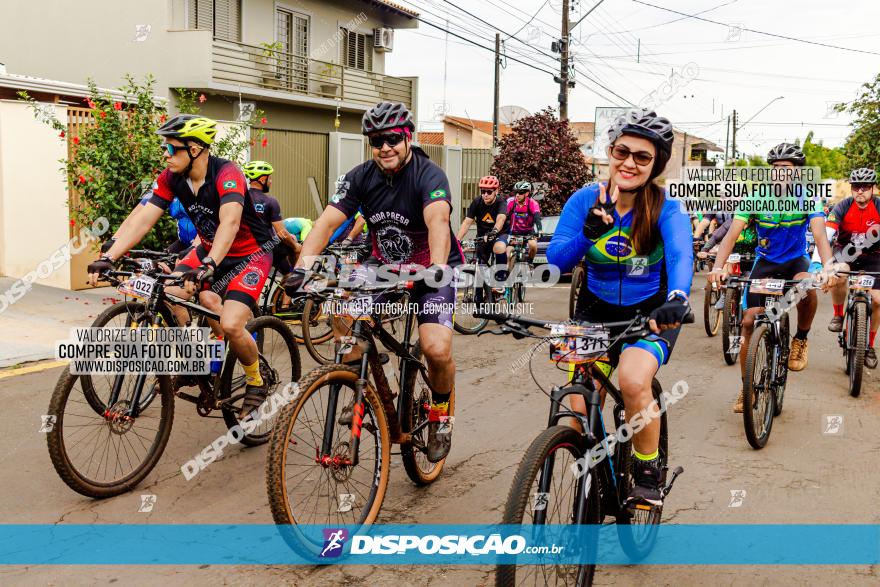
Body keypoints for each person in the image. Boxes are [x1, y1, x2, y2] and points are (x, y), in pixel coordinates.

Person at [284, 101, 462, 463]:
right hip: (383, 266)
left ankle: (441, 415)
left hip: (431, 269)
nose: (385, 147)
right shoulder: (359, 177)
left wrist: (439, 266)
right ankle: (360, 383)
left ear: (408, 137)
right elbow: (327, 223)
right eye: (376, 140)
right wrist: (303, 266)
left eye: (393, 138)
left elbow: (438, 223)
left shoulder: (429, 176)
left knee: (436, 349)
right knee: (341, 308)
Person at [548, 108, 693, 509]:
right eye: (621, 151)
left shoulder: (667, 208)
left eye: (642, 157)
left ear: (656, 165)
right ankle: (598, 469)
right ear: (610, 152)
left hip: (651, 310)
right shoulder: (583, 200)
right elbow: (556, 263)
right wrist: (586, 235)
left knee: (631, 380)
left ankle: (648, 472)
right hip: (594, 310)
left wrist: (678, 299)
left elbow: (682, 256)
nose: (628, 162)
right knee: (578, 403)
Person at [86, 114, 275, 419]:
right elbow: (144, 216)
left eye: (172, 149)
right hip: (209, 248)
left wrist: (211, 263)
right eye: (165, 147)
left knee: (230, 324)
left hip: (248, 253)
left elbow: (230, 222)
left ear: (196, 149)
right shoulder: (171, 177)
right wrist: (111, 254)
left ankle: (256, 378)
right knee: (169, 294)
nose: (165, 154)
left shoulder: (227, 174)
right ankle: (196, 359)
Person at [709, 142, 836, 412]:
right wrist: (718, 267)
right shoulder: (756, 197)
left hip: (795, 261)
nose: (780, 173)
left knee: (806, 286)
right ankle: (746, 389)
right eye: (776, 168)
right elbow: (732, 235)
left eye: (786, 168)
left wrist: (827, 267)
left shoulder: (808, 198)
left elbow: (821, 236)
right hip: (765, 263)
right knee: (748, 321)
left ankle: (800, 338)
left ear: (796, 173)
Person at [821, 167, 880, 368]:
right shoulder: (842, 207)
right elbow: (827, 235)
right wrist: (823, 265)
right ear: (852, 189)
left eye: (865, 187)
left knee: (878, 301)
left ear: (873, 188)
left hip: (874, 256)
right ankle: (838, 314)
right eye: (856, 187)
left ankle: (869, 345)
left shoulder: (879, 207)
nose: (860, 191)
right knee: (839, 273)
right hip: (846, 253)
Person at [242, 160, 299, 272]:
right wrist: (294, 245)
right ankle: (293, 281)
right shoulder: (270, 201)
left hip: (243, 248)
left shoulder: (239, 198)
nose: (271, 182)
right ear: (262, 180)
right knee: (296, 248)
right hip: (266, 248)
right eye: (270, 178)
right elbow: (282, 234)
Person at [456, 175, 507, 284]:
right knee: (480, 266)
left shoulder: (501, 201)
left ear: (496, 191)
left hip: (499, 233)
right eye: (483, 191)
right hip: (482, 236)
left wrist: (494, 231)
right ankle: (478, 296)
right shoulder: (477, 202)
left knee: (499, 247)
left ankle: (501, 280)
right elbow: (467, 222)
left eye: (489, 192)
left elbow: (501, 219)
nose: (485, 195)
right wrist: (457, 240)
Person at [504, 181, 542, 269]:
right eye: (515, 192)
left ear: (527, 193)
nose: (517, 195)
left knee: (533, 245)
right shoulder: (510, 202)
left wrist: (540, 230)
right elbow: (504, 216)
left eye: (520, 193)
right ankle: (508, 272)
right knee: (508, 253)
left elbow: (537, 217)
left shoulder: (533, 203)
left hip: (528, 232)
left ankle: (530, 261)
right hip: (513, 232)